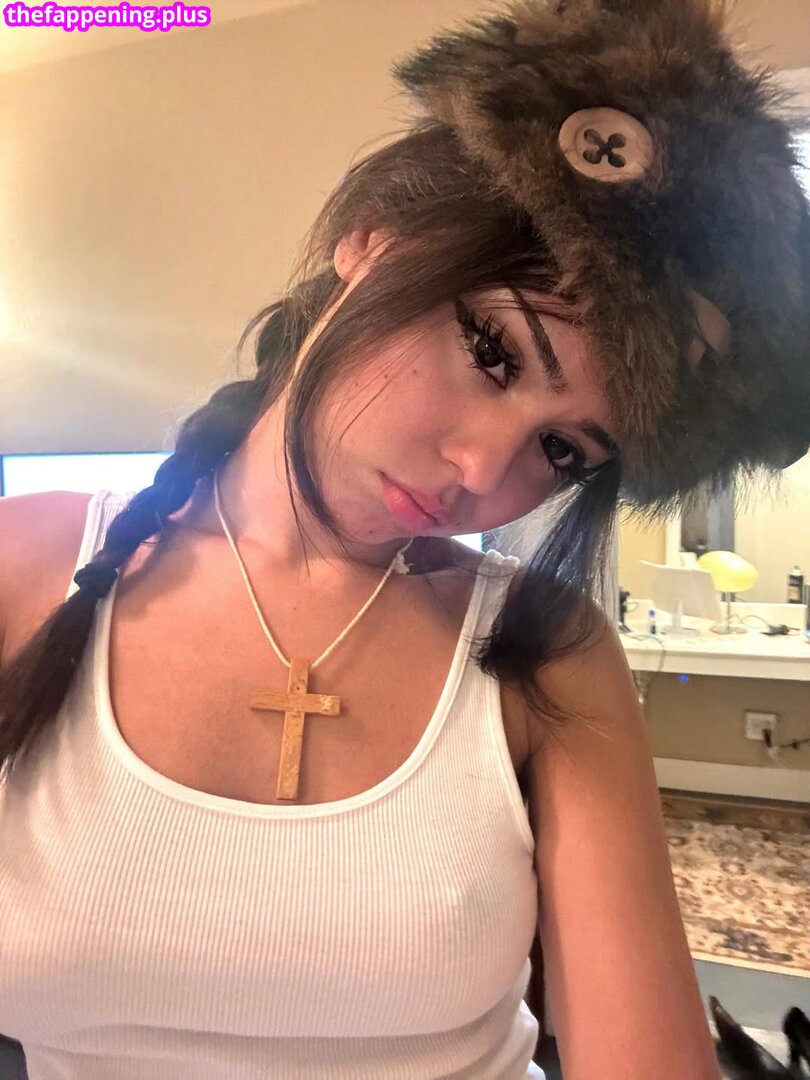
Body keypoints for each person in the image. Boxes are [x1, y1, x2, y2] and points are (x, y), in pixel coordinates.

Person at [1, 1, 808, 1078]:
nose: (485, 473)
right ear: (372, 238)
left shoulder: (546, 650)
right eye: (494, 353)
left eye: (564, 449)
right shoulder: (23, 566)